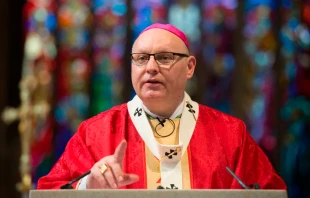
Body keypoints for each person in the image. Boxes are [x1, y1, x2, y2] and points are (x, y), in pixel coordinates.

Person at [37, 23, 286, 190]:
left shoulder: (231, 135)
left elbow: (268, 191)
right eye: (141, 58)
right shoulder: (95, 132)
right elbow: (50, 190)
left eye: (165, 58)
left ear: (190, 67)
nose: (151, 67)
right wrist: (87, 185)